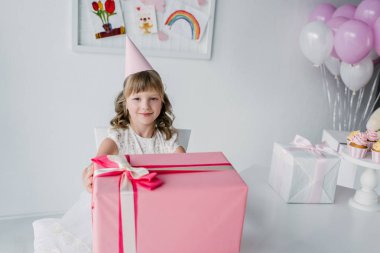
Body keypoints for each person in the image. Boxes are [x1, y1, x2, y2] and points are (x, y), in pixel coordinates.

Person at [33, 36, 185, 253]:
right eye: (137, 99)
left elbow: (185, 164)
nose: (146, 106)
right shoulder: (119, 135)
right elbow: (100, 159)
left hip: (155, 209)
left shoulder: (166, 138)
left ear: (162, 101)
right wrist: (90, 173)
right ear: (125, 102)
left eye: (153, 98)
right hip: (119, 208)